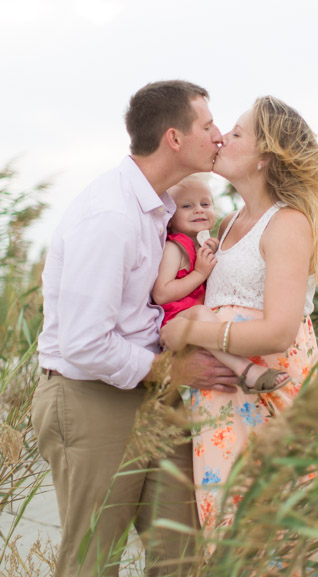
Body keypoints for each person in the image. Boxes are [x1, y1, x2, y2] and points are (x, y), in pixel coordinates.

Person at [31, 80, 239, 577]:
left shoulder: (163, 209)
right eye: (208, 126)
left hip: (155, 391)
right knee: (93, 563)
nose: (219, 135)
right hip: (92, 398)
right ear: (174, 137)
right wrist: (173, 369)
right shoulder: (111, 216)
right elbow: (84, 344)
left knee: (182, 558)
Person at [160, 95, 318, 532]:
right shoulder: (226, 224)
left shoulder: (287, 222)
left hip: (271, 395)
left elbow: (278, 332)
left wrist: (192, 333)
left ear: (264, 158)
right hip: (221, 403)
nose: (221, 138)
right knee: (230, 536)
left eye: (235, 133)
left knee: (280, 534)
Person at [153, 174, 290, 392]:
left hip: (199, 326)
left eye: (205, 203)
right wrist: (199, 273)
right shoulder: (174, 248)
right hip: (176, 321)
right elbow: (161, 293)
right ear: (170, 216)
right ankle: (246, 369)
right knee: (200, 313)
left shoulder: (202, 245)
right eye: (187, 206)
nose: (198, 209)